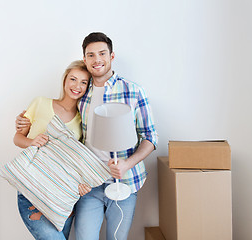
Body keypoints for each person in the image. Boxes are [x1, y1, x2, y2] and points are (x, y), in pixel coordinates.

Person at [16, 32, 159, 240]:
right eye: (90, 55)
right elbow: (63, 125)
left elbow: (150, 137)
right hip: (88, 184)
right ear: (85, 59)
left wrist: (127, 164)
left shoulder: (133, 91)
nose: (97, 59)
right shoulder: (82, 91)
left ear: (111, 56)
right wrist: (23, 123)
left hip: (125, 182)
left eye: (102, 53)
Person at [13, 60, 92, 240]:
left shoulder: (83, 119)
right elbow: (17, 138)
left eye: (83, 82)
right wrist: (33, 141)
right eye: (73, 79)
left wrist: (81, 183)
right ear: (65, 80)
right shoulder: (40, 103)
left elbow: (78, 160)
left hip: (63, 194)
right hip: (32, 188)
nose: (77, 86)